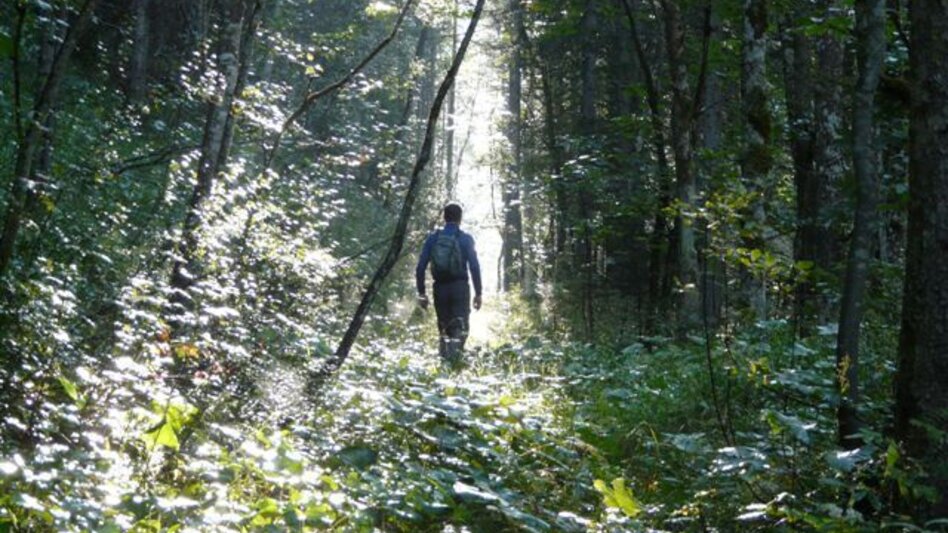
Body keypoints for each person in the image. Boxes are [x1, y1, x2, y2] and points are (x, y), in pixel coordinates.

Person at [416, 203, 482, 358]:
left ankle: (445, 362)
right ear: (460, 218)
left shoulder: (433, 239)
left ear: (444, 217)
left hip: (440, 288)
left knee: (444, 327)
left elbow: (420, 268)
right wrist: (478, 293)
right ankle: (454, 361)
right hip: (460, 288)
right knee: (460, 325)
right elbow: (474, 266)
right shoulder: (465, 239)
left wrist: (422, 293)